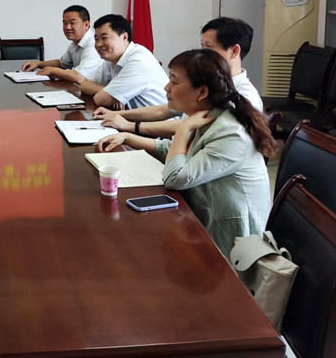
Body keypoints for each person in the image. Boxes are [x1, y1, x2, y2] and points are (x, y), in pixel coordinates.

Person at [95, 49, 273, 255]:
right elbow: (175, 152)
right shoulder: (207, 114)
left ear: (202, 92)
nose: (166, 87)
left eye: (174, 82)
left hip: (229, 242)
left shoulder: (230, 133)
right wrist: (128, 138)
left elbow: (176, 177)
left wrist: (183, 128)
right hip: (198, 216)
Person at [95, 17, 263, 137]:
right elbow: (163, 110)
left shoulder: (245, 97)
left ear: (234, 51)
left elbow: (188, 127)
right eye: (202, 46)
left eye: (209, 47)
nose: (202, 54)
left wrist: (130, 126)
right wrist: (119, 115)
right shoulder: (207, 81)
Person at [74, 14, 167, 109]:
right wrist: (110, 92)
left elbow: (101, 99)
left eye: (104, 38)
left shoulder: (138, 61)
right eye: (96, 39)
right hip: (134, 116)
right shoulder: (112, 59)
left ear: (124, 37)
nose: (98, 44)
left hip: (159, 118)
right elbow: (83, 85)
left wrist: (110, 94)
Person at [21, 5, 102, 81]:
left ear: (86, 25)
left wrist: (52, 70)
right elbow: (62, 64)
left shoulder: (93, 45)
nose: (67, 27)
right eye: (65, 23)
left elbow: (79, 77)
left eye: (72, 23)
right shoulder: (75, 43)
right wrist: (39, 64)